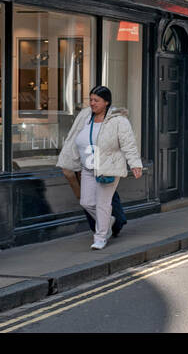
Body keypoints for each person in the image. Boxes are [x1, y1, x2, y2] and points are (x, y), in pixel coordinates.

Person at [57, 85, 142, 249]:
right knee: (86, 202)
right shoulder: (86, 118)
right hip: (88, 168)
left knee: (103, 203)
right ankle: (108, 221)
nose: (92, 103)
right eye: (91, 100)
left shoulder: (118, 121)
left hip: (108, 167)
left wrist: (135, 164)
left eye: (96, 100)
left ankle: (101, 237)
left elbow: (129, 144)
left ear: (106, 102)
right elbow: (73, 137)